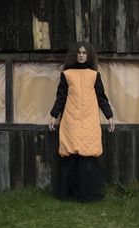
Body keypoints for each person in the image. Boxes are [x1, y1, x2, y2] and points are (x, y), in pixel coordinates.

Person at [48, 41, 115, 202]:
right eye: (79, 53)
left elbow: (101, 97)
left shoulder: (94, 75)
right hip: (71, 119)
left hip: (89, 119)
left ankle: (87, 193)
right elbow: (61, 97)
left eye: (84, 53)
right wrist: (53, 114)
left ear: (89, 55)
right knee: (71, 152)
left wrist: (109, 116)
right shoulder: (67, 74)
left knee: (88, 153)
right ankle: (69, 192)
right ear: (74, 55)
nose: (82, 55)